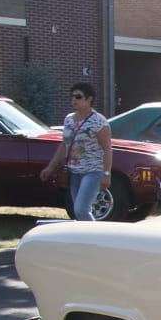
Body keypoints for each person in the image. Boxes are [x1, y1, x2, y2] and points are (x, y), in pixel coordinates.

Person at [38, 82, 112, 221]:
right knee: (76, 211)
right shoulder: (69, 120)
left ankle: (96, 238)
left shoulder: (98, 121)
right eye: (72, 96)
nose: (73, 100)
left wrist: (106, 174)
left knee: (81, 209)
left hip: (92, 171)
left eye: (78, 97)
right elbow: (64, 145)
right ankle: (84, 239)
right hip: (73, 171)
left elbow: (107, 148)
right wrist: (50, 167)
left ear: (89, 99)